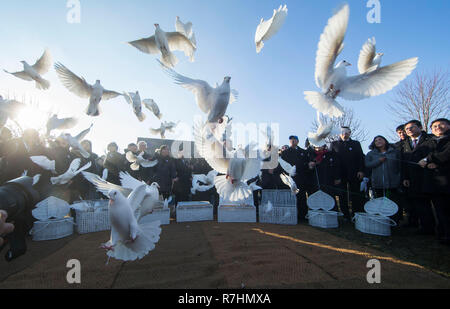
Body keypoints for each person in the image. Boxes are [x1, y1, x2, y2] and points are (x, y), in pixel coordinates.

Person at [417, 118, 450, 244]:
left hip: (447, 179)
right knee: (440, 210)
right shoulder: (430, 142)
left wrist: (429, 160)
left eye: (441, 124)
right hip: (434, 182)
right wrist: (426, 162)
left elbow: (446, 154)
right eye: (434, 126)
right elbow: (419, 155)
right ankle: (442, 234)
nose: (437, 127)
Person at [401, 120, 435, 234]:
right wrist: (405, 177)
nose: (409, 130)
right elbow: (404, 162)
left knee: (429, 203)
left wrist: (428, 161)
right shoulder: (406, 143)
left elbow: (435, 152)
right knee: (417, 203)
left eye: (412, 127)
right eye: (407, 129)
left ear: (420, 127)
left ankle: (430, 227)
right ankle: (419, 225)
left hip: (428, 175)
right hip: (412, 178)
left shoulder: (430, 139)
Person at [365, 136, 403, 223]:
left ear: (385, 141)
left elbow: (400, 165)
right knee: (380, 202)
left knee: (392, 201)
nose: (378, 141)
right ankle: (382, 220)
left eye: (380, 139)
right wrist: (379, 161)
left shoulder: (395, 152)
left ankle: (395, 220)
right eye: (376, 140)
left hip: (392, 183)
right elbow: (368, 165)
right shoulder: (371, 154)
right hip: (378, 183)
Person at [331, 127, 366, 219]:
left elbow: (361, 158)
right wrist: (335, 176)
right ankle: (345, 215)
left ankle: (356, 214)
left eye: (346, 132)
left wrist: (361, 170)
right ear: (339, 133)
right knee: (342, 195)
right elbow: (332, 161)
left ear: (350, 133)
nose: (344, 134)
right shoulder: (334, 144)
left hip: (354, 173)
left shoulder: (356, 144)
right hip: (340, 174)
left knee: (355, 194)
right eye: (342, 132)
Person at [281, 135, 311, 222]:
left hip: (301, 177)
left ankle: (302, 215)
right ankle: (291, 215)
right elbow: (282, 165)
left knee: (301, 197)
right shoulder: (285, 152)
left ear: (298, 141)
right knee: (291, 197)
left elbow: (306, 164)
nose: (292, 141)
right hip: (290, 179)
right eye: (291, 140)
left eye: (294, 140)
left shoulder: (303, 152)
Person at [306, 143, 342, 213]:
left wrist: (337, 177)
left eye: (320, 145)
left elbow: (336, 166)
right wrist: (310, 166)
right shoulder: (311, 155)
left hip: (328, 180)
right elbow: (306, 169)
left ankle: (331, 212)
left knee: (329, 196)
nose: (318, 147)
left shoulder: (330, 154)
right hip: (315, 181)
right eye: (316, 146)